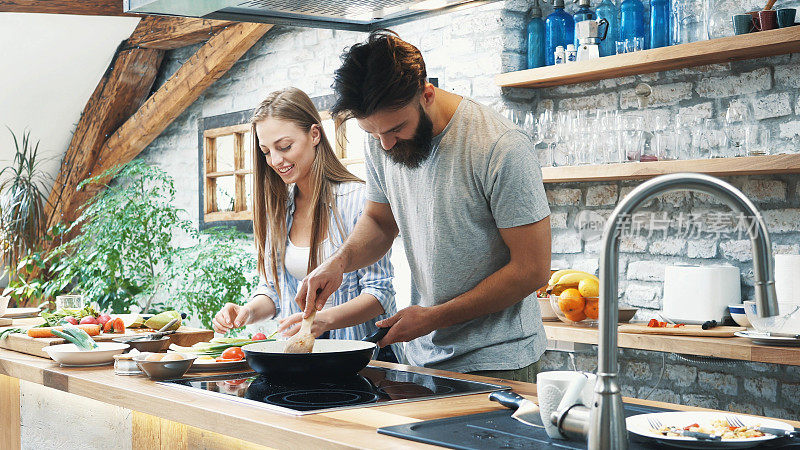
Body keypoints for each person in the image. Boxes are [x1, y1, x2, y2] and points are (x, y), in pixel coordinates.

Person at [294, 30, 552, 382]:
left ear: (427, 94)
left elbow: (531, 269)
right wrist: (340, 262)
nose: (385, 145)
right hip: (419, 355)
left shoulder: (500, 147)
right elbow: (381, 221)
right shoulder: (381, 138)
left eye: (396, 129)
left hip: (499, 359)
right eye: (372, 134)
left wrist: (433, 317)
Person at [212, 87, 400, 363]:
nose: (276, 161)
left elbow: (379, 294)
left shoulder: (358, 201)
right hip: (300, 360)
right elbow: (274, 294)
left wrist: (322, 321)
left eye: (285, 147)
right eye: (266, 151)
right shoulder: (279, 209)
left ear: (314, 135)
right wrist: (247, 312)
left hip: (360, 362)